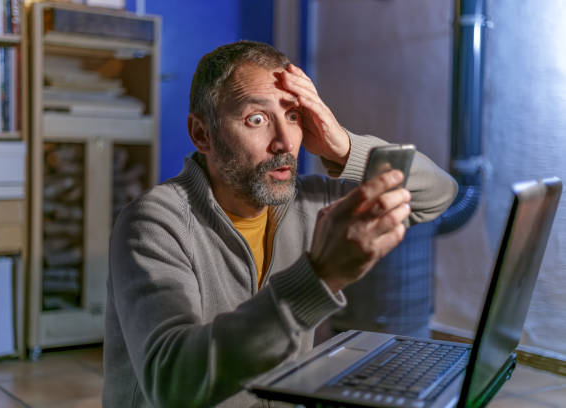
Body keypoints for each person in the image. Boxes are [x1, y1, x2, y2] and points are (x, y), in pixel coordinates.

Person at [103, 40, 457, 407]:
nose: (286, 142)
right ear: (201, 134)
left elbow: (440, 193)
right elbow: (172, 383)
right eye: (256, 119)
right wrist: (318, 277)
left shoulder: (310, 202)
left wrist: (344, 146)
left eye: (292, 116)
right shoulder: (153, 222)